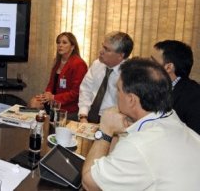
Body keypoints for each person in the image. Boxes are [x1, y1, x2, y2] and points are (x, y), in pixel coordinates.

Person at [82, 58, 200, 190]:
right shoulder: (171, 119)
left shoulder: (139, 145)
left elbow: (90, 183)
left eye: (118, 90)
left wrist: (105, 131)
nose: (116, 94)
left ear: (131, 99)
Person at [78, 31, 133, 123]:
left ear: (121, 55)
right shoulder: (97, 64)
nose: (101, 51)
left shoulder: (129, 74)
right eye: (103, 46)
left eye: (107, 49)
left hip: (113, 122)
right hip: (88, 116)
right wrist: (83, 116)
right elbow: (85, 90)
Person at [30, 32, 87, 120]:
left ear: (72, 46)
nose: (60, 45)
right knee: (34, 102)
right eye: (58, 42)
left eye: (64, 43)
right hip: (52, 101)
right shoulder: (58, 62)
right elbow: (51, 84)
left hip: (67, 105)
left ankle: (43, 128)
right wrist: (47, 93)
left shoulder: (79, 64)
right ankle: (38, 130)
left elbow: (75, 93)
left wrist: (53, 97)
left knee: (35, 105)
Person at [151, 40, 200, 134]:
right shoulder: (155, 87)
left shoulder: (194, 97)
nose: (148, 65)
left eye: (153, 61)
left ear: (169, 67)